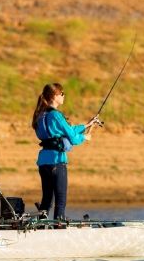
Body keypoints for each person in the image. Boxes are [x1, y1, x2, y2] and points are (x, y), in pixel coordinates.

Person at [31, 83, 99, 220]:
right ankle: (59, 224)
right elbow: (73, 138)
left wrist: (87, 125)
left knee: (47, 199)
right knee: (61, 200)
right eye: (62, 93)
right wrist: (85, 137)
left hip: (43, 162)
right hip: (57, 161)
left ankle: (41, 225)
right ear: (54, 96)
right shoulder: (56, 115)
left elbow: (65, 131)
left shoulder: (41, 115)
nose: (64, 96)